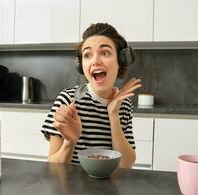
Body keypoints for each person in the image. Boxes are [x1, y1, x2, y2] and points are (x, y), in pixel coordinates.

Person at [41, 23, 141, 168]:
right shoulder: (68, 100)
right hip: (72, 188)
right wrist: (70, 142)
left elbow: (125, 165)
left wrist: (113, 115)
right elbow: (53, 167)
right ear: (81, 65)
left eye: (105, 53)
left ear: (120, 60)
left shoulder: (124, 105)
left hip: (108, 187)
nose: (95, 61)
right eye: (87, 55)